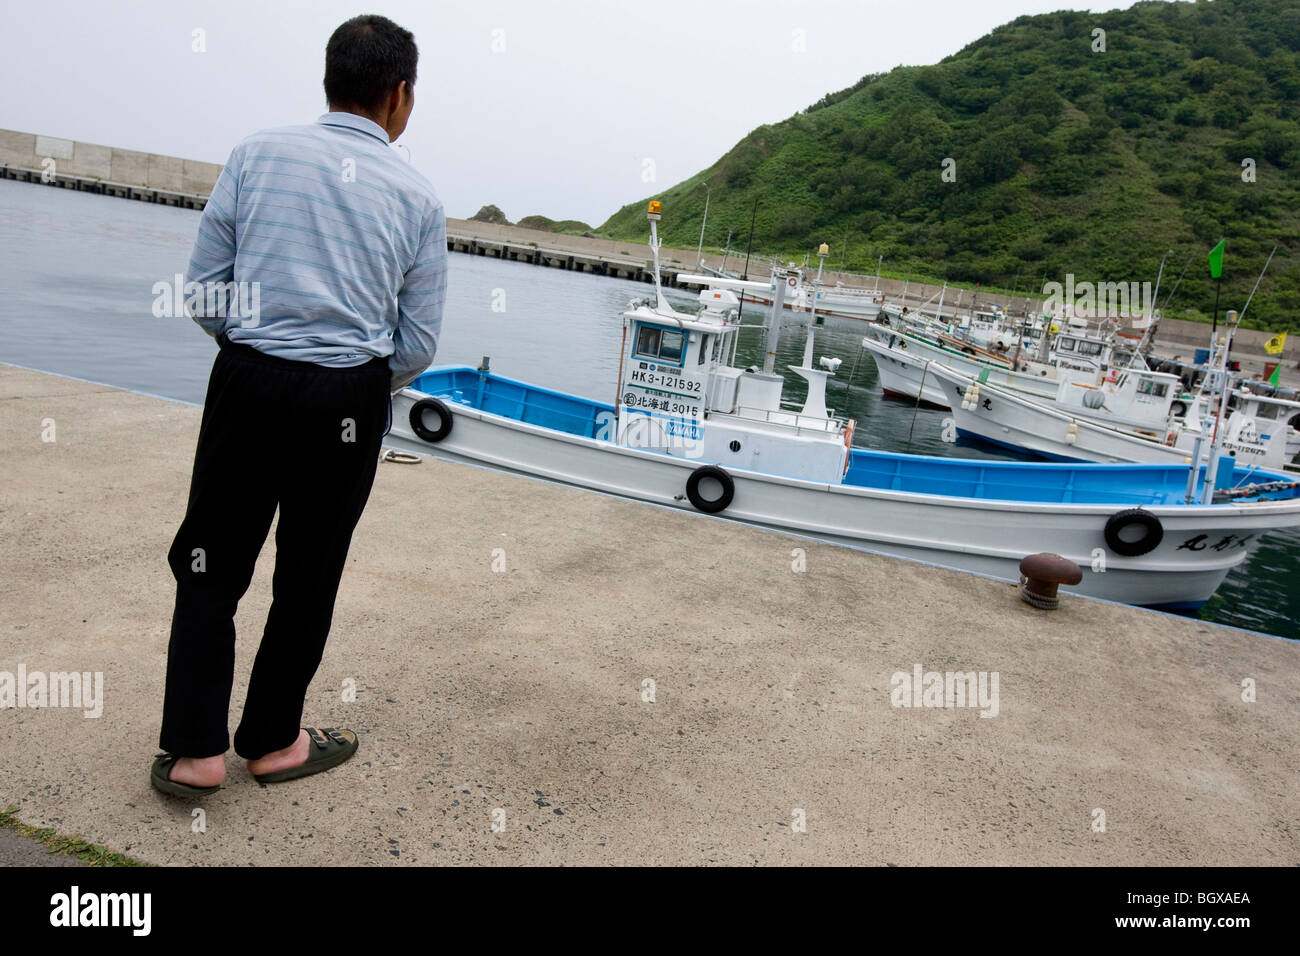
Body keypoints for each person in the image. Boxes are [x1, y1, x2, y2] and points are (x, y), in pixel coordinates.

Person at [151, 14, 447, 796]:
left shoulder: (256, 154)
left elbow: (206, 292)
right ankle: (275, 741)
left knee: (211, 562)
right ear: (399, 94)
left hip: (251, 377)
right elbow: (417, 344)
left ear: (329, 79)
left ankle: (195, 754)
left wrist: (256, 352)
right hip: (346, 397)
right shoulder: (417, 196)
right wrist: (346, 379)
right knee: (308, 574)